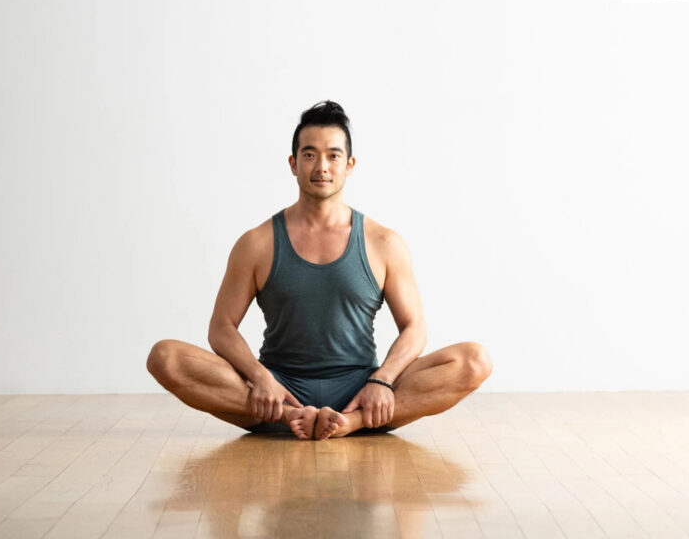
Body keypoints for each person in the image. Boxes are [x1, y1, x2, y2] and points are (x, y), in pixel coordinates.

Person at [147, 101, 492, 440]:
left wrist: (381, 381)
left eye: (333, 155)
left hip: (361, 391)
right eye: (310, 155)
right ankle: (291, 417)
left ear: (350, 164)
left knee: (474, 360)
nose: (321, 166)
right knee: (165, 356)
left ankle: (352, 422)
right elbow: (221, 328)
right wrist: (262, 378)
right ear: (293, 163)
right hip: (277, 391)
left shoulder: (383, 242)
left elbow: (415, 329)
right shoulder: (256, 243)